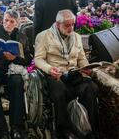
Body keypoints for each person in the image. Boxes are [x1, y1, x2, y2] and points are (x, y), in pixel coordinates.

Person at [34, 9, 98, 139]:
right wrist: (49, 69)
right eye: (67, 25)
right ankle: (64, 130)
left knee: (91, 88)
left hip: (74, 73)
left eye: (73, 24)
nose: (71, 28)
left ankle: (90, 128)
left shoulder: (76, 37)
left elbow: (81, 58)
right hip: (55, 74)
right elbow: (38, 59)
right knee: (59, 93)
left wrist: (86, 67)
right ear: (58, 24)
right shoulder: (44, 36)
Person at [0, 10, 32, 139]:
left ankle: (16, 127)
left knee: (18, 84)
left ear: (18, 23)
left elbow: (28, 59)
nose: (8, 24)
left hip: (14, 70)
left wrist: (14, 58)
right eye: (6, 21)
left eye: (11, 22)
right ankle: (2, 128)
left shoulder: (22, 36)